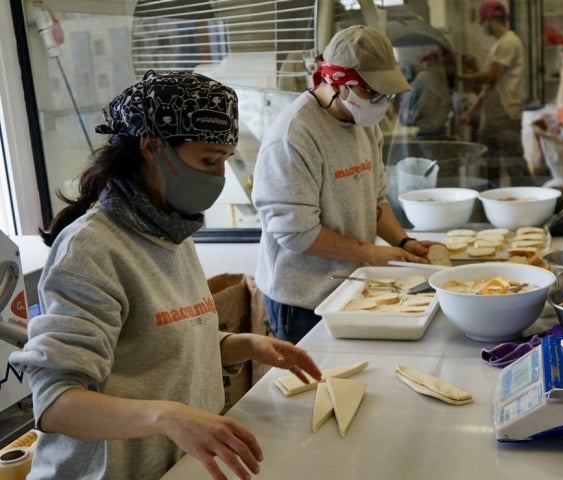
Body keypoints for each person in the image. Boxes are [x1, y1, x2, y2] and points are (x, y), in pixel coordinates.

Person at [9, 70, 322, 480]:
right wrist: (166, 417)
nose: (218, 177)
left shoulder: (171, 231)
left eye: (225, 160)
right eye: (208, 160)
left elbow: (160, 341)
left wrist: (242, 344)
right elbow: (55, 403)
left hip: (177, 467)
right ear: (153, 147)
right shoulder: (91, 249)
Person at [252, 25, 435, 344]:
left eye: (385, 93)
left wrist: (403, 243)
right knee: (313, 389)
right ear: (336, 81)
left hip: (351, 285)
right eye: (372, 92)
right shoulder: (294, 137)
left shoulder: (363, 123)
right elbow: (296, 233)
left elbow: (375, 200)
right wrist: (371, 252)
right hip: (303, 301)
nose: (380, 102)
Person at [456, 1, 532, 186]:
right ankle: (495, 201)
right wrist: (470, 113)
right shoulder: (499, 44)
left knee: (514, 164)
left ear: (489, 19)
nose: (482, 27)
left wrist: (459, 77)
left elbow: (490, 76)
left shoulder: (509, 41)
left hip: (506, 113)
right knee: (490, 163)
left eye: (481, 22)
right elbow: (488, 89)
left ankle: (530, 202)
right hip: (493, 115)